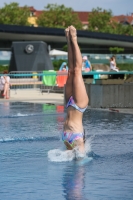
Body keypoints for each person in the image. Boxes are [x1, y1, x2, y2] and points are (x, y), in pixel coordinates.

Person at [62, 25, 89, 155]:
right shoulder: (79, 141)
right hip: (79, 105)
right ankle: (74, 39)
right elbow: (82, 161)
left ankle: (68, 41)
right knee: (77, 71)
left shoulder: (73, 143)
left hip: (66, 135)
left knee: (71, 72)